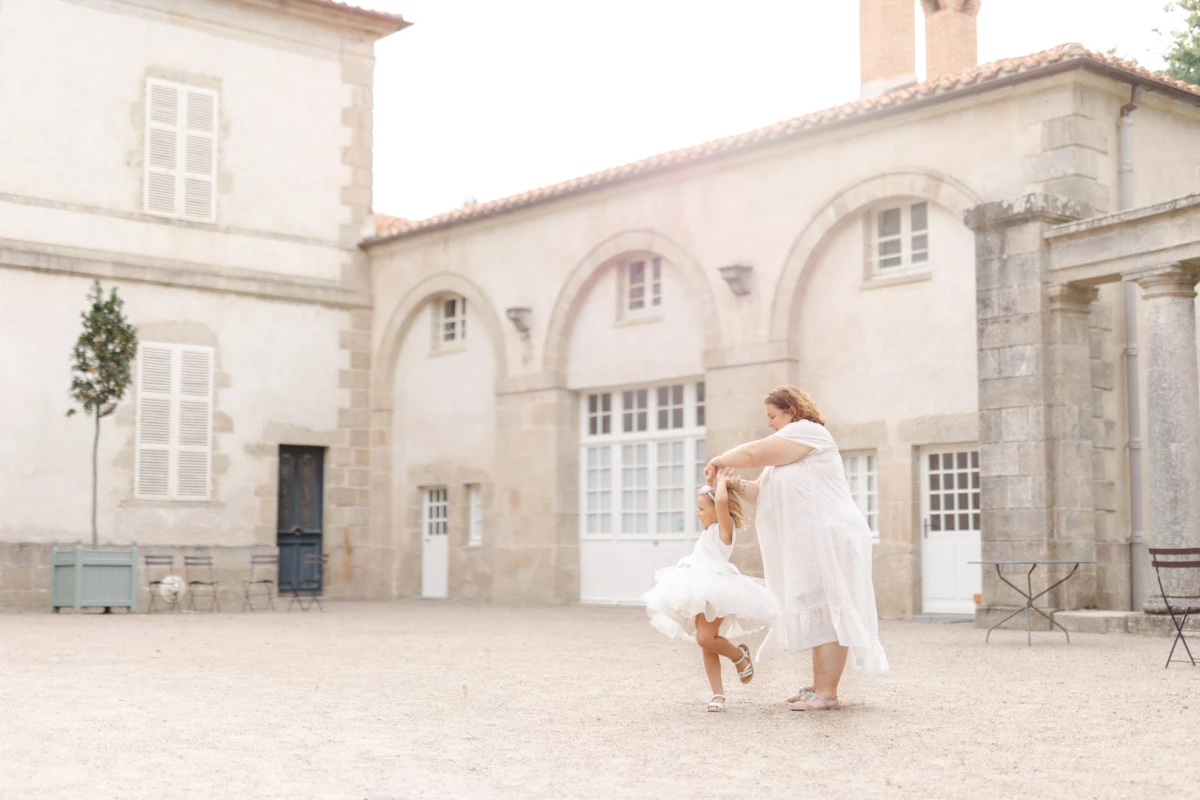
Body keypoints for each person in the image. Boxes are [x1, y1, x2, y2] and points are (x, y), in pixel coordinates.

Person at [708, 386, 888, 712]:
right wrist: (735, 484)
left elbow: (751, 454)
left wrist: (718, 460)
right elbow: (760, 493)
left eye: (773, 416)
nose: (770, 424)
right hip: (811, 540)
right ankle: (818, 686)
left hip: (832, 535)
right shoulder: (784, 456)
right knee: (816, 607)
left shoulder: (809, 432)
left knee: (830, 608)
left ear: (791, 411)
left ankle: (827, 693)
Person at [641, 466, 781, 712]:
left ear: (719, 511)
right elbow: (714, 499)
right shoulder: (708, 532)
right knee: (705, 642)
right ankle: (718, 695)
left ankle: (739, 656)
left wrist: (722, 483)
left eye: (702, 509)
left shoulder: (724, 530)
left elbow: (721, 502)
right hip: (698, 585)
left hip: (717, 588)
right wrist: (709, 481)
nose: (698, 514)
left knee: (706, 638)